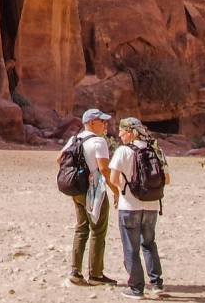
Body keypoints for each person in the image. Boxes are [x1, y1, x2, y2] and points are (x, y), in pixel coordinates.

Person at [109, 118, 168, 299]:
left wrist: (124, 190)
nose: (119, 135)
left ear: (132, 132)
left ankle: (136, 288)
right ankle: (156, 284)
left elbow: (112, 178)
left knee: (131, 248)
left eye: (122, 131)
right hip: (152, 205)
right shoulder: (157, 150)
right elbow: (167, 179)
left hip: (129, 206)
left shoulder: (123, 151)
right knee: (149, 244)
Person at [60, 108, 117, 287]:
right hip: (94, 191)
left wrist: (76, 175)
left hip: (77, 190)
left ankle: (75, 271)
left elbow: (59, 160)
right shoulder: (99, 142)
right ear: (92, 123)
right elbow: (105, 169)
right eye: (102, 121)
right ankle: (96, 274)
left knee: (81, 228)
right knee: (98, 230)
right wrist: (116, 190)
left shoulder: (74, 139)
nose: (106, 124)